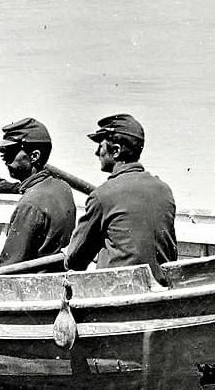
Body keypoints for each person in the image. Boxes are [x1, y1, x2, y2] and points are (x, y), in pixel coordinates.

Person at [65, 114, 176, 277]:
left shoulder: (102, 196)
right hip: (162, 286)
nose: (97, 152)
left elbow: (75, 261)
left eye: (100, 146)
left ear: (116, 151)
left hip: (118, 291)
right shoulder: (164, 190)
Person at [0, 118, 77, 267]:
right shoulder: (63, 188)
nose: (5, 160)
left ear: (34, 156)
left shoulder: (31, 203)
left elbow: (9, 265)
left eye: (11, 152)